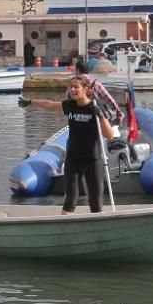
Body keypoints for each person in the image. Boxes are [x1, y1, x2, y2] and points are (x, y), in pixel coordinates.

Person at [18, 75, 118, 214]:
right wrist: (30, 101)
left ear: (86, 89)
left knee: (95, 201)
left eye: (76, 87)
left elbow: (109, 135)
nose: (72, 90)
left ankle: (97, 228)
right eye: (70, 87)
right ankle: (64, 227)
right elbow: (50, 105)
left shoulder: (94, 107)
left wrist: (101, 116)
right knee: (70, 199)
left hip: (93, 159)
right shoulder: (70, 105)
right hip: (73, 158)